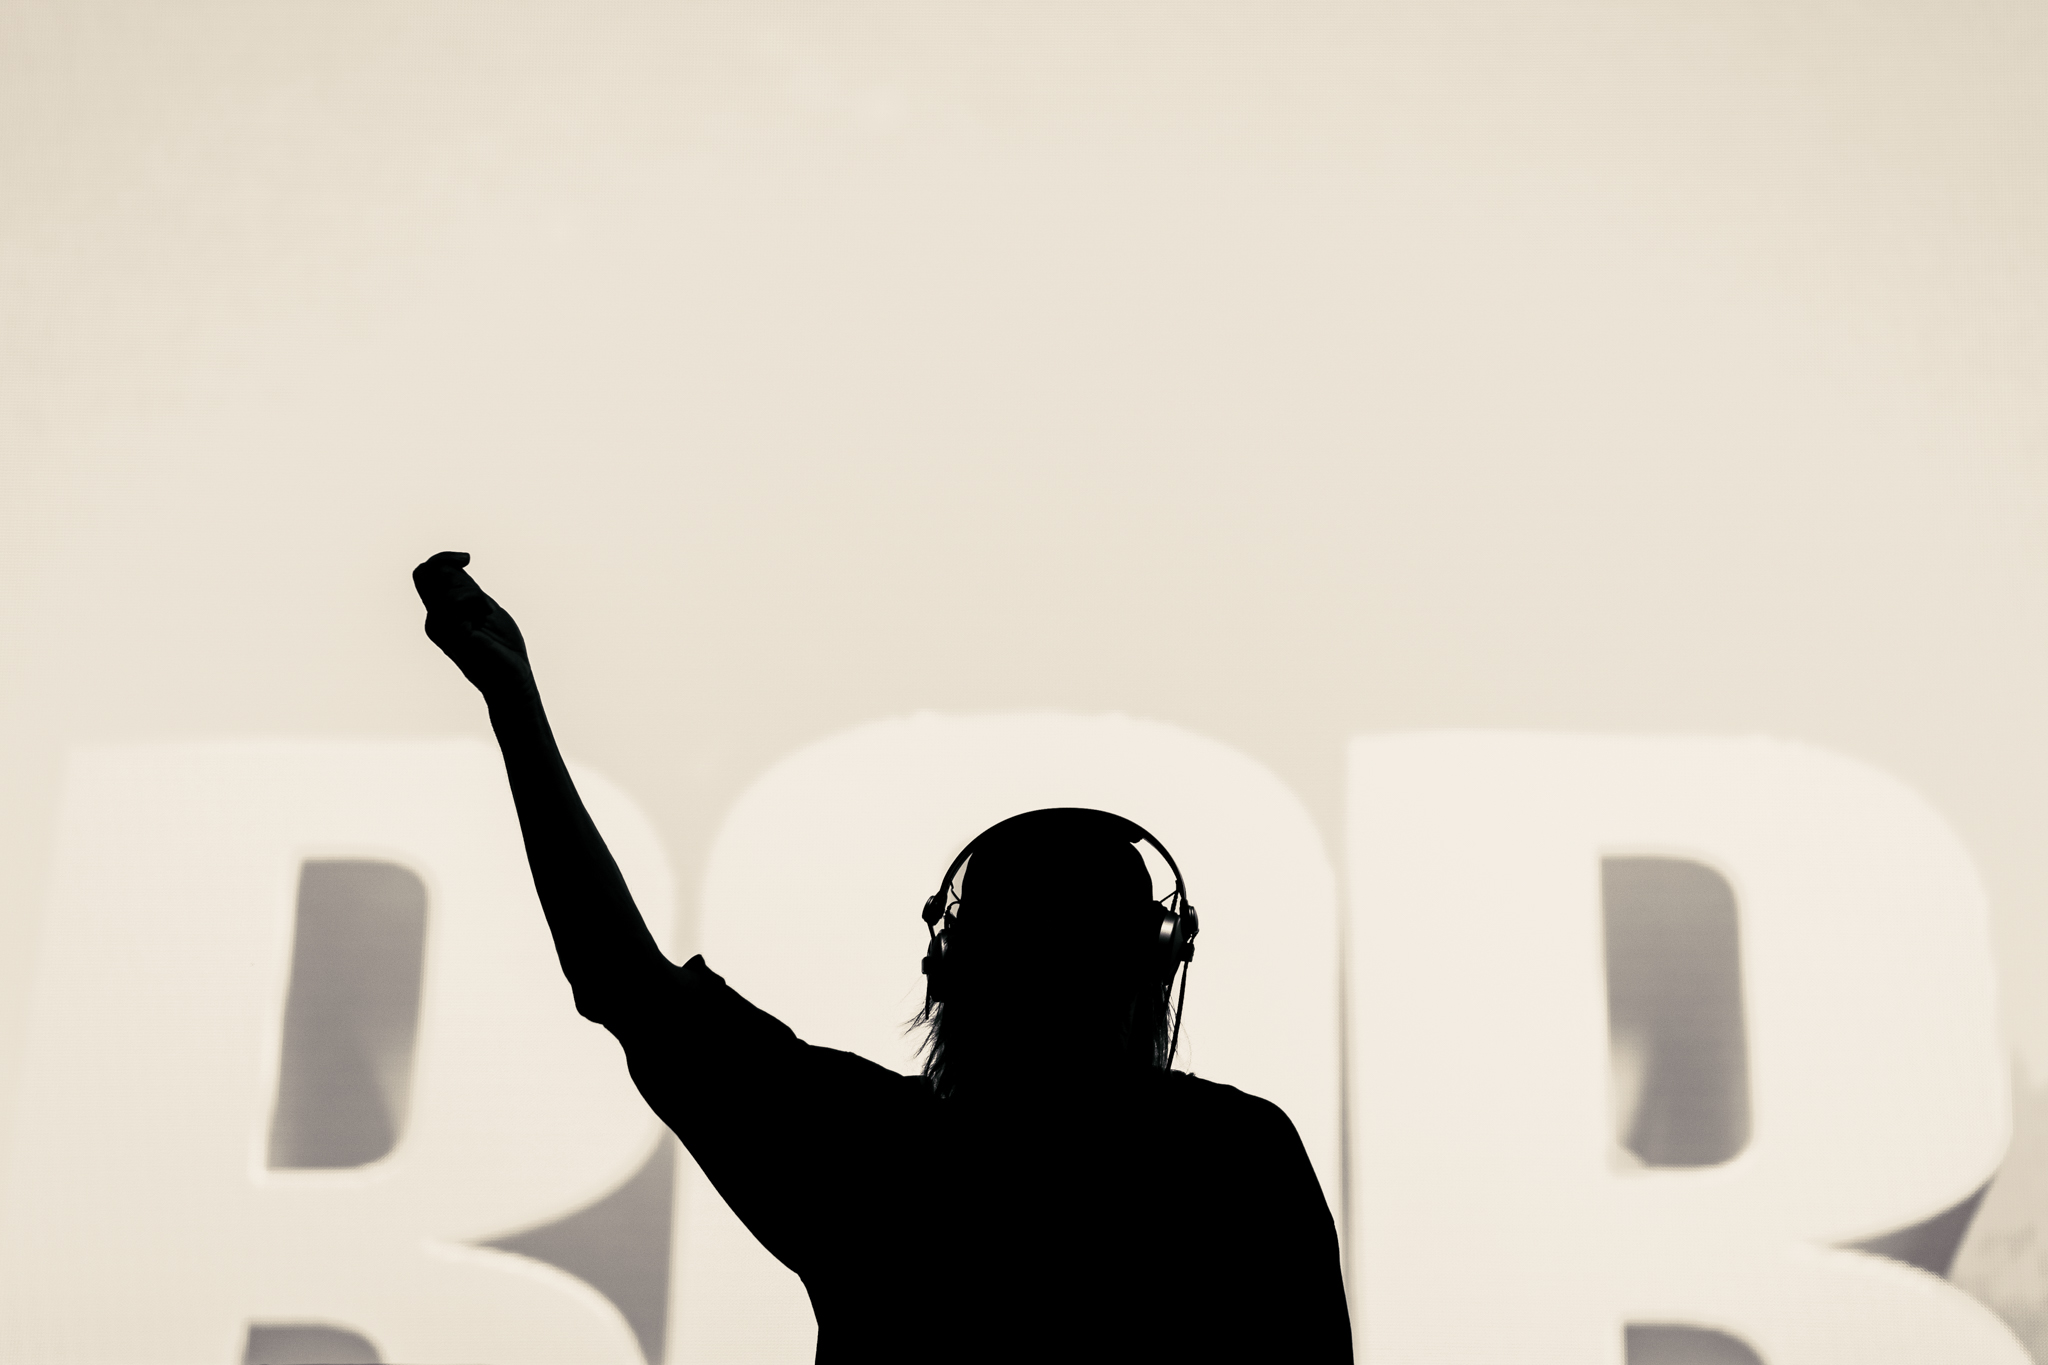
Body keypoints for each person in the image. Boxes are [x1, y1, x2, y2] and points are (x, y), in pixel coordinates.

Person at [413, 550, 1353, 1363]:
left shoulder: (873, 1154)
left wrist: (517, 708)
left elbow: (621, 977)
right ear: (1152, 967)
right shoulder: (1239, 1157)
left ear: (952, 966)